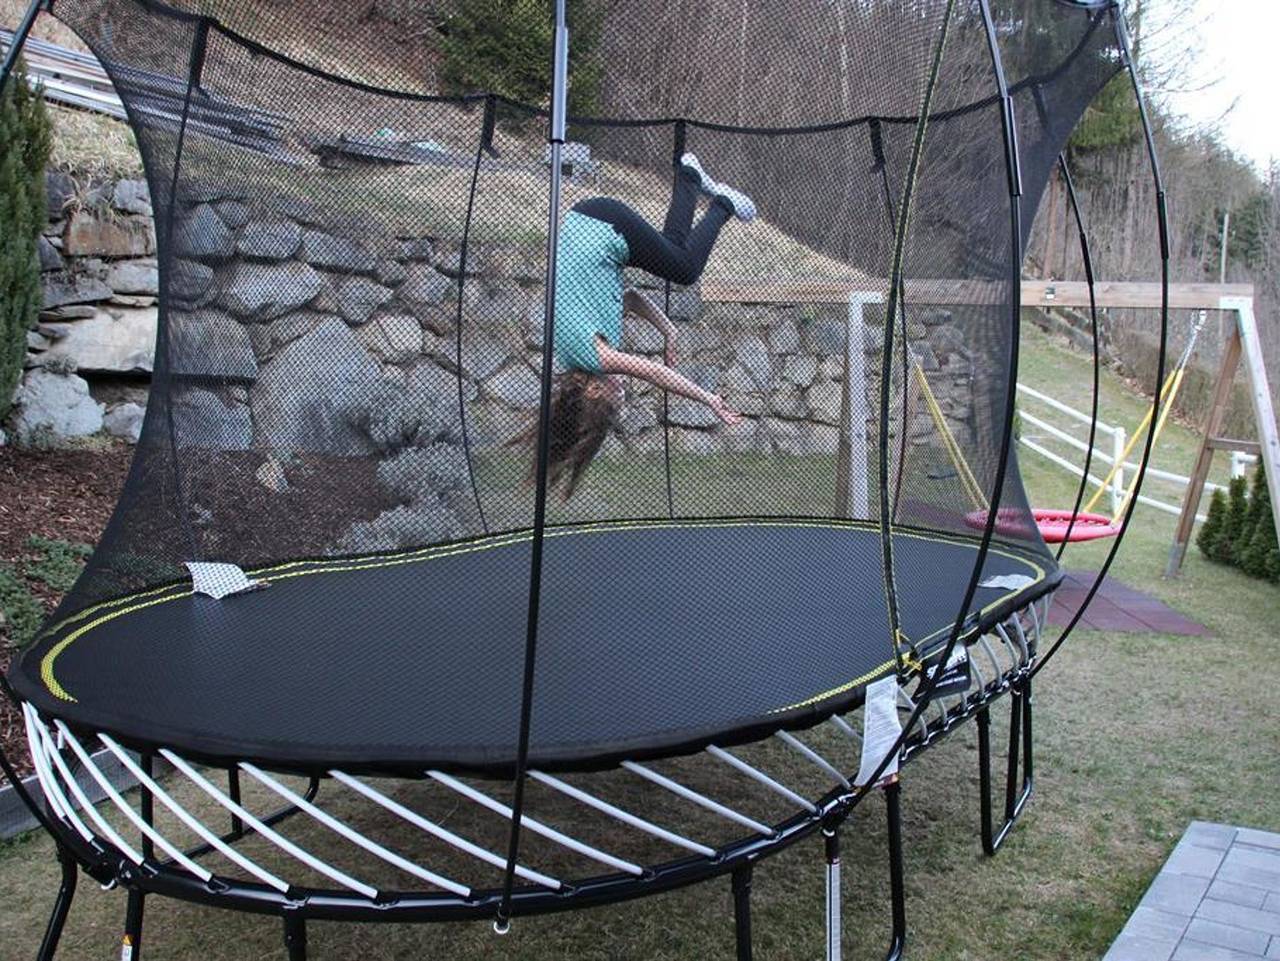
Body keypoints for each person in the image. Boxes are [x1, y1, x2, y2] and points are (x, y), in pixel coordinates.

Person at [518, 153, 755, 499]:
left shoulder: (595, 357)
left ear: (594, 392)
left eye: (615, 400)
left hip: (602, 226)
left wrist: (708, 399)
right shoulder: (576, 351)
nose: (623, 394)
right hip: (589, 223)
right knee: (674, 251)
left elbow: (656, 373)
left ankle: (723, 204)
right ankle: (689, 176)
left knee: (686, 269)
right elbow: (628, 298)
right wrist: (668, 331)